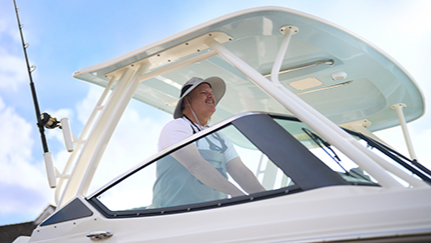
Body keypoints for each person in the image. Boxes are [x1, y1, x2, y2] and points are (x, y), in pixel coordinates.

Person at [151, 77, 265, 208]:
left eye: (212, 93)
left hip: (212, 212)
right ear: (187, 101)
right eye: (203, 93)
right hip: (173, 213)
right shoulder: (177, 127)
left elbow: (240, 171)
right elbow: (195, 165)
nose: (211, 96)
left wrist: (267, 198)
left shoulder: (219, 137)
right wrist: (237, 195)